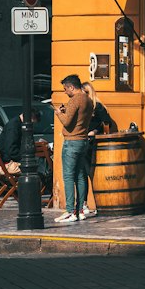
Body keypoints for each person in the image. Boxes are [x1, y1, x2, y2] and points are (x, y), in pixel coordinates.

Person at [54, 74, 94, 224]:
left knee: (69, 176)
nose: (65, 92)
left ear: (71, 87)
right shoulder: (88, 100)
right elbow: (78, 120)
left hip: (72, 142)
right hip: (83, 141)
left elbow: (67, 122)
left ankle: (70, 211)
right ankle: (81, 209)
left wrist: (59, 113)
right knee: (80, 175)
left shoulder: (75, 99)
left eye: (65, 89)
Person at [82, 82, 117, 181]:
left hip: (92, 141)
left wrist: (95, 131)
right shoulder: (84, 106)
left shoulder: (97, 106)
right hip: (83, 140)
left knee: (90, 170)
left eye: (82, 93)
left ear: (88, 93)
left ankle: (96, 184)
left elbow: (107, 123)